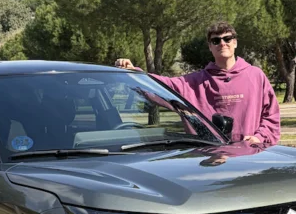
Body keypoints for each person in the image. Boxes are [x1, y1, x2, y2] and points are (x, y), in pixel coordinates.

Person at [115, 21, 281, 147]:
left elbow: (271, 116)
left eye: (227, 38)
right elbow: (162, 87)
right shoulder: (196, 82)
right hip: (211, 157)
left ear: (235, 42)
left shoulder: (255, 76)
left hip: (250, 156)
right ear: (210, 46)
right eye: (216, 41)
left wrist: (259, 137)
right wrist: (133, 72)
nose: (222, 43)